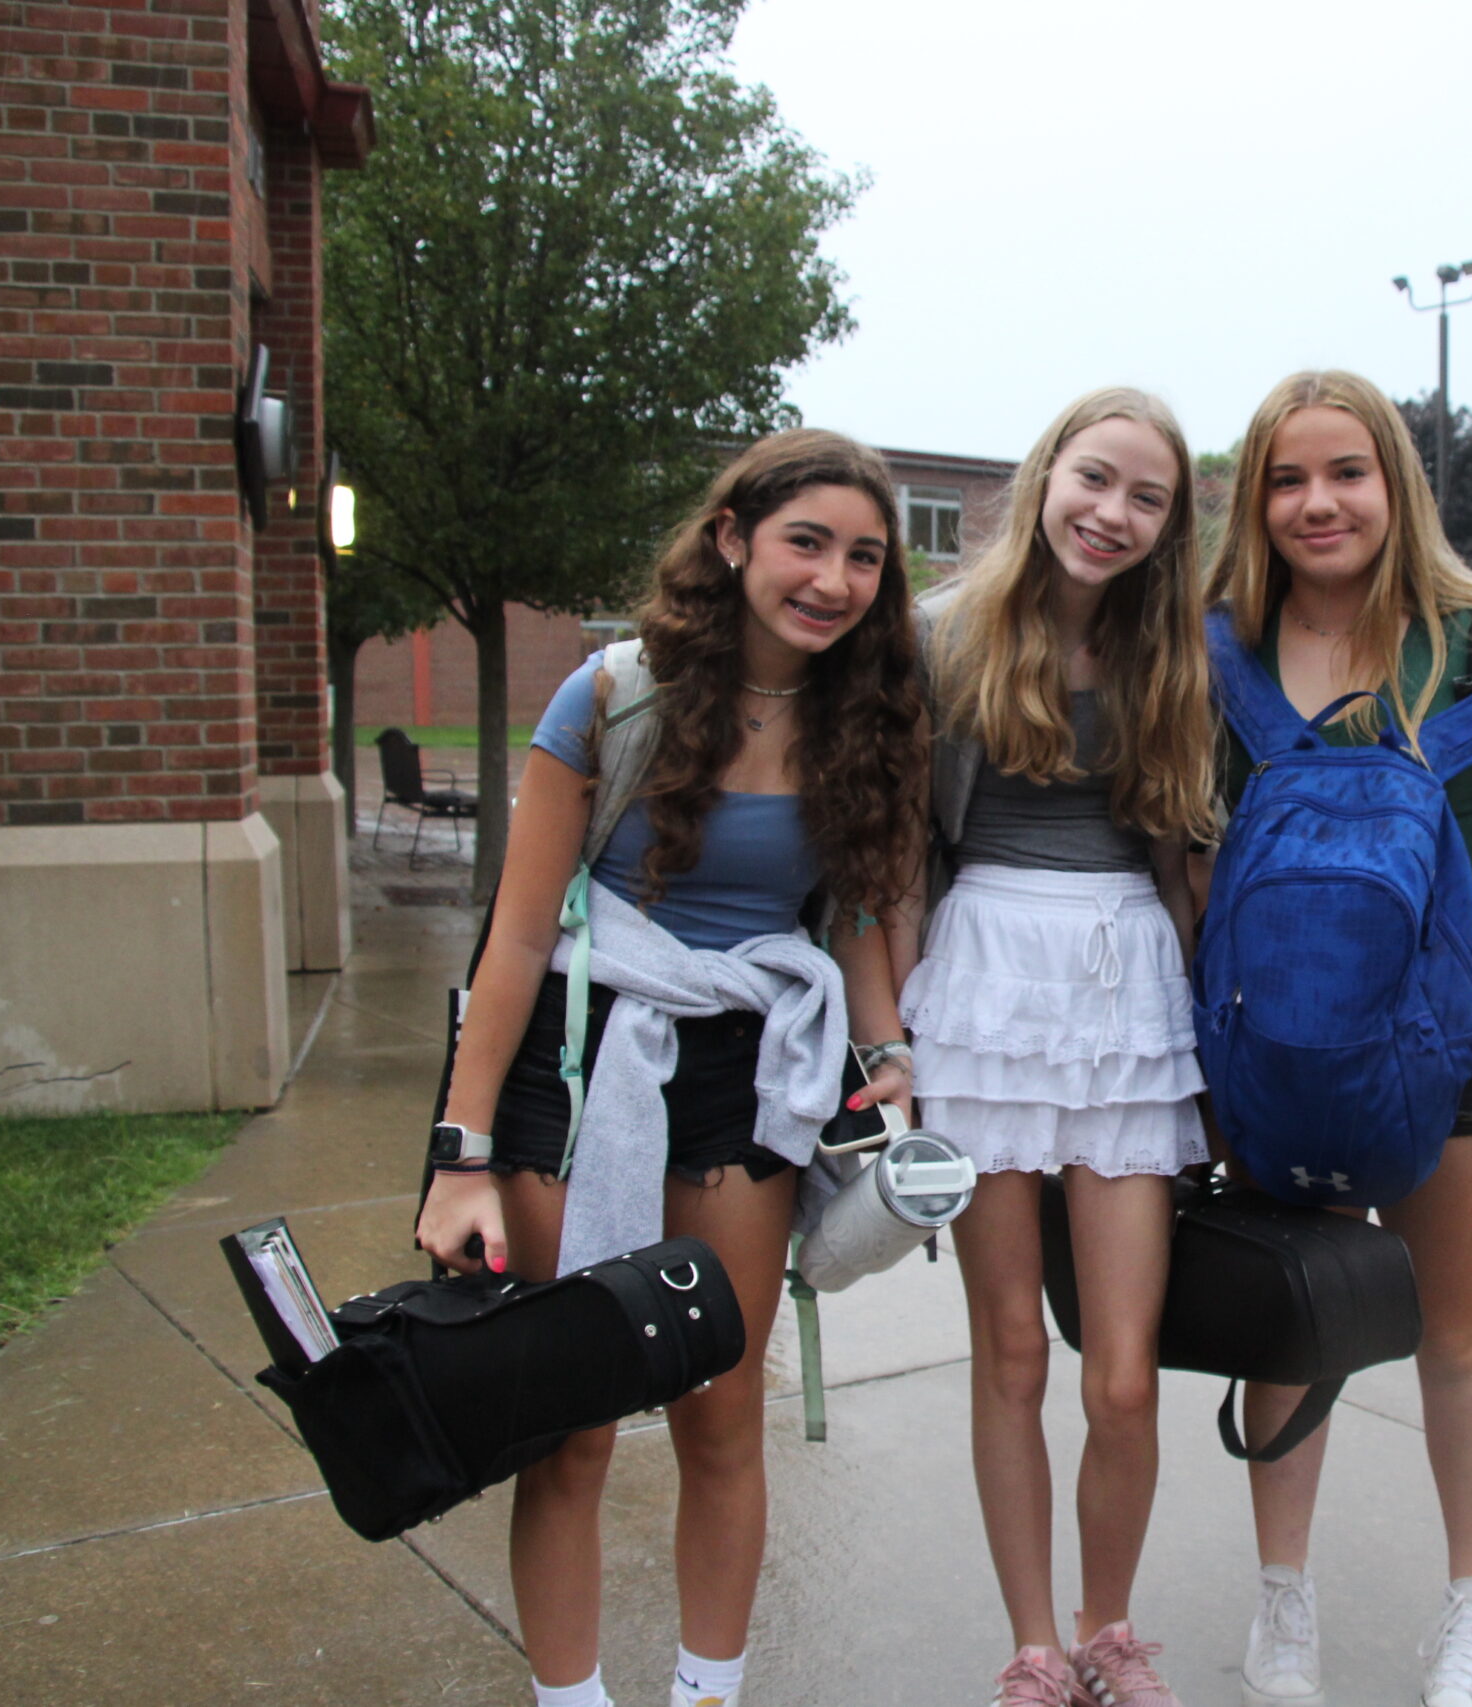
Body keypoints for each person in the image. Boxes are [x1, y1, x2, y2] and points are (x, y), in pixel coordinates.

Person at [414, 430, 928, 1707]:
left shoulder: (872, 717)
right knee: (573, 1421)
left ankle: (710, 1693)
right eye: (807, 541)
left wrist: (892, 1067)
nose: (834, 579)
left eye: (864, 556)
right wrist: (459, 1152)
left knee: (719, 1409)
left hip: (744, 1076)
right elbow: (519, 932)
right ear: (733, 539)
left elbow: (857, 918)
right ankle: (570, 1697)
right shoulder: (608, 695)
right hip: (579, 1066)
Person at [1199, 371, 1472, 1707]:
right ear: (1257, 498)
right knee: (1294, 1317)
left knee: (1459, 1331)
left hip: (1453, 1043)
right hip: (1277, 1048)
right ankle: (1283, 1599)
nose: (1318, 501)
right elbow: (1183, 840)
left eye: (1346, 472)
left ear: (1395, 486)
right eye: (1286, 477)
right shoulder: (1220, 652)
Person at [899, 388, 1221, 1707]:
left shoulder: (1179, 654)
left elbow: (1188, 864)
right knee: (1014, 1353)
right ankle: (1036, 1645)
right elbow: (899, 854)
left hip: (1131, 986)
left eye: (1147, 497)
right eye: (1096, 479)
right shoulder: (940, 637)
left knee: (1127, 1373)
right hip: (981, 984)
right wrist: (892, 1047)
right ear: (1046, 477)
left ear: (1170, 523)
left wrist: (1225, 1045)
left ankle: (1110, 1629)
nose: (1113, 513)